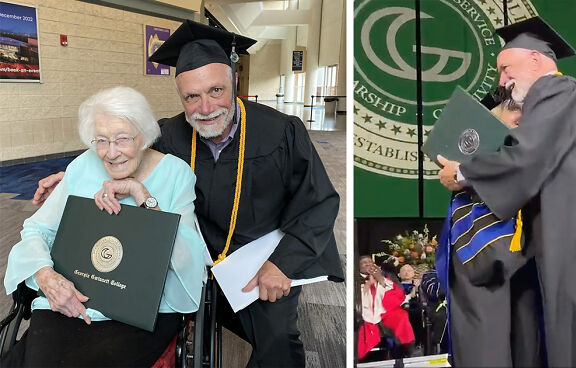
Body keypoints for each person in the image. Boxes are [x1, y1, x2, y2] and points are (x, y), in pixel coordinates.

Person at [32, 20, 344, 367]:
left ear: (233, 81)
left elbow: (318, 203)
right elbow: (122, 151)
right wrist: (72, 176)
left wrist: (283, 265)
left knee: (278, 342)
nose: (206, 108)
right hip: (189, 257)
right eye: (191, 97)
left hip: (260, 259)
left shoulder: (281, 132)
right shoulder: (170, 133)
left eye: (215, 91)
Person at [436, 16, 576, 366]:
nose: (502, 81)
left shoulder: (558, 90)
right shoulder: (570, 101)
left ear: (536, 60)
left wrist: (463, 172)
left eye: (506, 69)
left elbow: (527, 153)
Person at [3, 86, 208, 367]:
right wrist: (45, 276)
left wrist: (142, 194)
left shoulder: (176, 174)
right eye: (101, 140)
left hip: (141, 312)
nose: (111, 153)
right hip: (71, 302)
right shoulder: (82, 165)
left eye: (122, 139)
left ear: (145, 137)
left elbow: (186, 257)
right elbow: (37, 230)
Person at [436, 96, 542, 368]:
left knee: (524, 334)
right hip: (496, 255)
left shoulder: (526, 158)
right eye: (515, 118)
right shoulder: (483, 170)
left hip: (516, 253)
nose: (521, 125)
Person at [356, 256, 414, 361]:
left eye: (370, 262)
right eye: (364, 262)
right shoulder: (355, 280)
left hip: (384, 312)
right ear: (358, 266)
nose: (368, 264)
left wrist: (381, 280)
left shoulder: (384, 277)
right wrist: (368, 285)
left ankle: (401, 356)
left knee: (401, 316)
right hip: (364, 312)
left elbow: (398, 296)